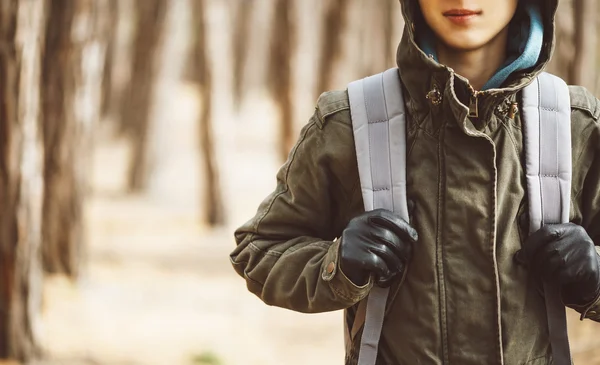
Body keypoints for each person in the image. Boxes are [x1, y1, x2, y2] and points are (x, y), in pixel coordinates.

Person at [230, 0, 600, 364]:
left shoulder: (576, 123)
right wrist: (336, 264)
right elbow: (259, 250)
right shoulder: (351, 121)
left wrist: (594, 275)